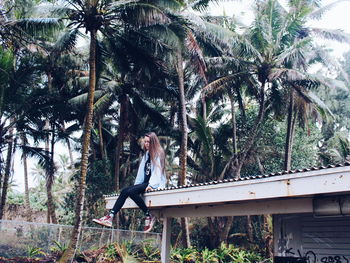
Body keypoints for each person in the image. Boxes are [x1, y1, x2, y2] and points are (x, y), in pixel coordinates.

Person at [93, 132, 166, 233]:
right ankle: (110, 217)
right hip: (145, 182)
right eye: (145, 142)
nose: (146, 144)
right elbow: (141, 171)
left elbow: (157, 171)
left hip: (153, 183)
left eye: (148, 142)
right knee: (125, 191)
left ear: (153, 142)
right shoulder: (147, 154)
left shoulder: (158, 153)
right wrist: (137, 185)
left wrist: (152, 185)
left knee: (130, 192)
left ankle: (148, 215)